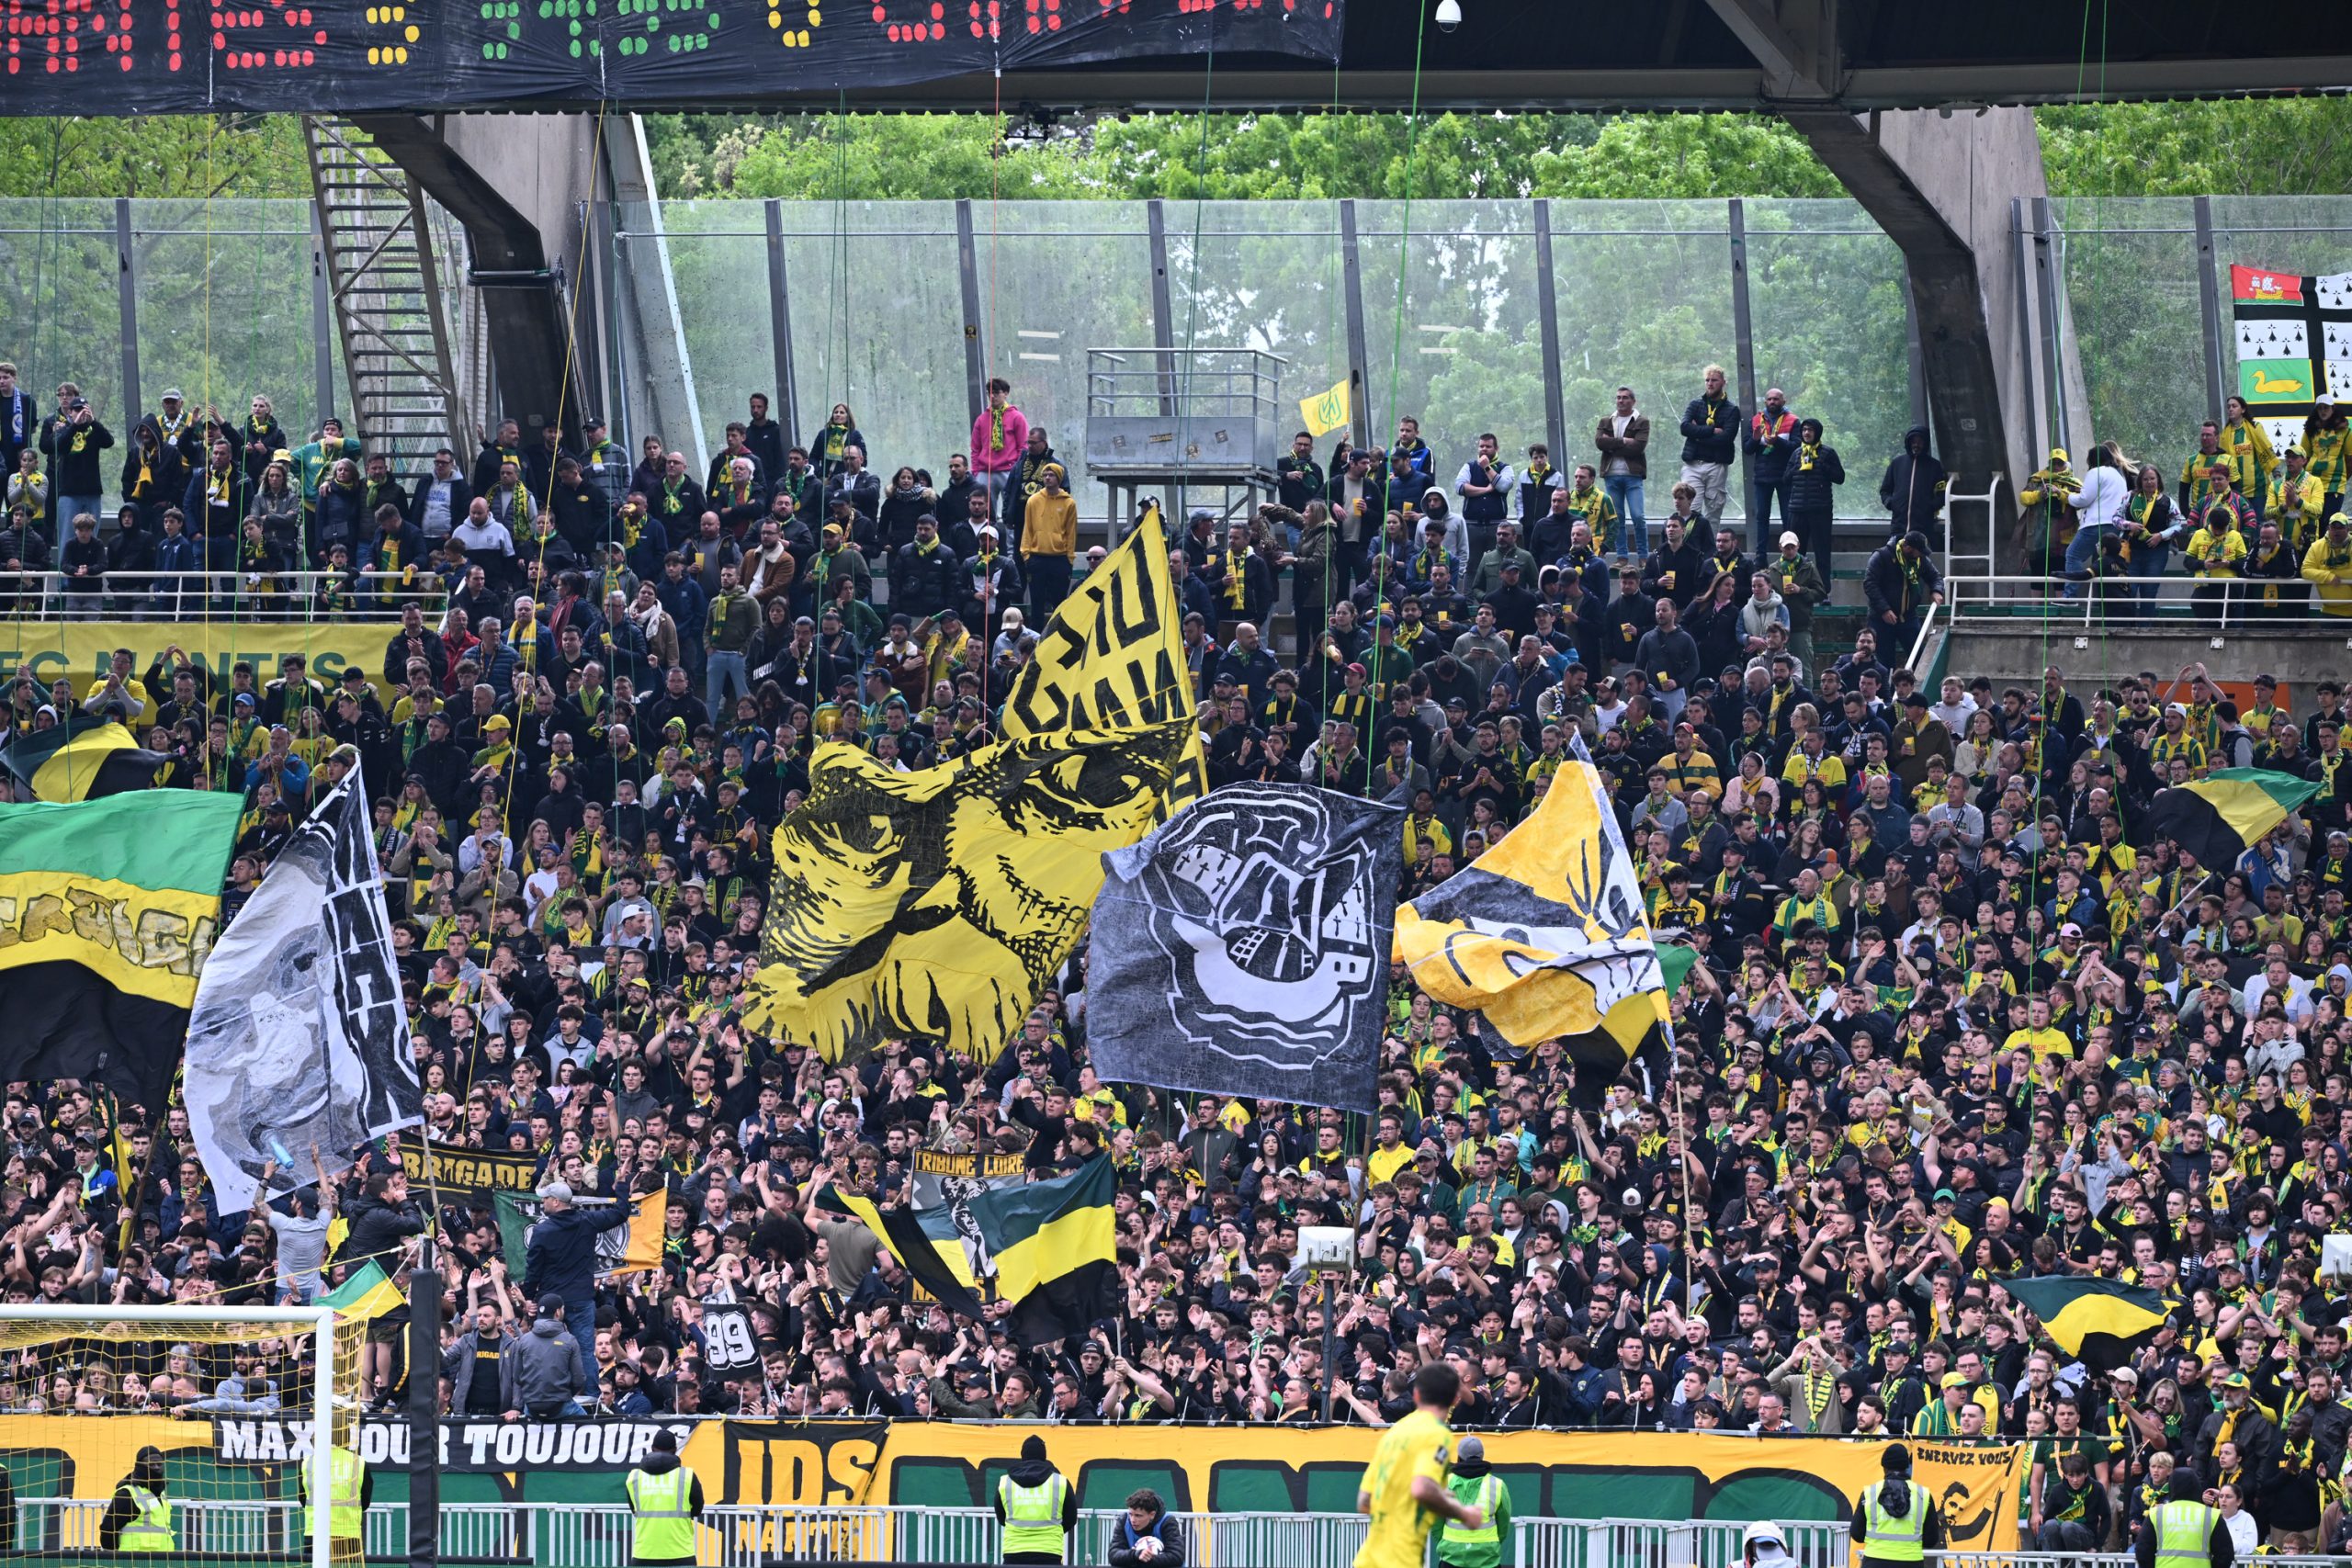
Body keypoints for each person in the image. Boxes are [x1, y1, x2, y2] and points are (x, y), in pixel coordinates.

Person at [1355, 1362, 1484, 1568]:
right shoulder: (1437, 1433)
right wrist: (1463, 1513)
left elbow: (1364, 1502)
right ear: (1455, 1399)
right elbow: (1422, 1488)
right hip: (1400, 1561)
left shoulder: (1395, 1432)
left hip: (1367, 1560)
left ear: (1416, 1395)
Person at [522, 1179, 635, 1380]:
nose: (543, 1202)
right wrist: (623, 1187)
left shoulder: (542, 1231)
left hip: (552, 1300)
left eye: (546, 1198)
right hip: (581, 1299)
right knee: (585, 1351)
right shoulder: (587, 1221)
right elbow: (620, 1213)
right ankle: (591, 1396)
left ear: (556, 1202)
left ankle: (550, 1392)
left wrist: (529, 1297)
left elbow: (533, 1269)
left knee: (546, 1349)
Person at [1849, 1443, 1942, 1568]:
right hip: (1911, 1561)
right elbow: (1931, 1540)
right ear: (1906, 1467)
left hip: (1875, 1561)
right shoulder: (1923, 1494)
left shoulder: (1870, 1493)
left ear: (1884, 1467)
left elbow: (1856, 1534)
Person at [624, 1429, 705, 1566]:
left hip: (644, 1553)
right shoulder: (687, 1476)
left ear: (652, 1449)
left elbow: (634, 1509)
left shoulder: (634, 1477)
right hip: (681, 1553)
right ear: (674, 1450)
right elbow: (697, 1509)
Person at [996, 1434, 1077, 1564]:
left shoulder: (1005, 1482)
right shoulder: (1060, 1482)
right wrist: (1054, 1530)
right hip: (1049, 1551)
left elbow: (1001, 1517)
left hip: (1014, 1551)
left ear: (1022, 1455)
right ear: (1044, 1456)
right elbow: (1071, 1518)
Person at [1436, 1435, 1510, 1568]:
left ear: (1459, 1457)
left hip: (1451, 1557)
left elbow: (1436, 1522)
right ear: (1482, 1456)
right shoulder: (1498, 1485)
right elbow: (1503, 1524)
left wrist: (1448, 1543)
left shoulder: (1444, 1483)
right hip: (1487, 1559)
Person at [2133, 1470, 2232, 1568]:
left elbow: (2143, 1551)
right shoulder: (2210, 1514)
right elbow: (2225, 1554)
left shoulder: (2157, 1513)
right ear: (2197, 1486)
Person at [299, 1441, 369, 1558]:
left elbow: (302, 1498)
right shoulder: (359, 1462)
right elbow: (365, 1501)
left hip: (315, 1532)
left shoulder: (308, 1463)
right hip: (349, 1533)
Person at [99, 1446, 174, 1553]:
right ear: (140, 1466)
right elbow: (108, 1529)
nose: (157, 1467)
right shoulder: (127, 1494)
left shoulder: (160, 1493)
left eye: (159, 1464)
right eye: (151, 1464)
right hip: (133, 1560)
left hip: (161, 1559)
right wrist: (117, 1557)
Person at [1106, 1488, 1188, 1567]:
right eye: (1131, 1514)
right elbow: (1113, 1554)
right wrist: (1136, 1554)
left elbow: (1176, 1556)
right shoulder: (1124, 1521)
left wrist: (1146, 1559)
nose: (1132, 1520)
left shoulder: (1167, 1522)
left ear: (1152, 1514)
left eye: (1138, 1515)